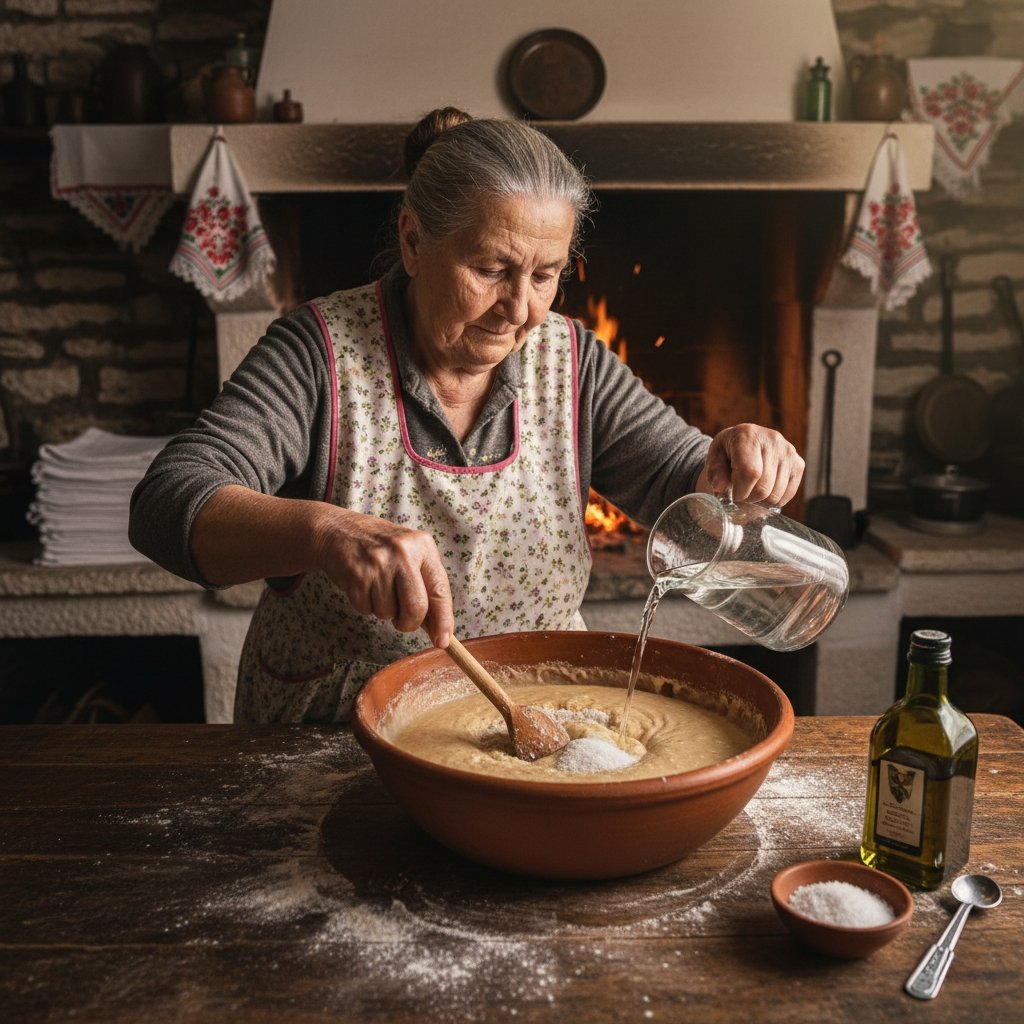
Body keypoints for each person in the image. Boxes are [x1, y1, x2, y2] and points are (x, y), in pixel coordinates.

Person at [130, 107, 804, 724]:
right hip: (339, 731)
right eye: (490, 268)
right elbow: (167, 501)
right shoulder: (320, 353)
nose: (519, 309)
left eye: (545, 276)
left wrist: (735, 460)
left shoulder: (572, 362)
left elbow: (680, 482)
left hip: (535, 716)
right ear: (414, 241)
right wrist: (326, 531)